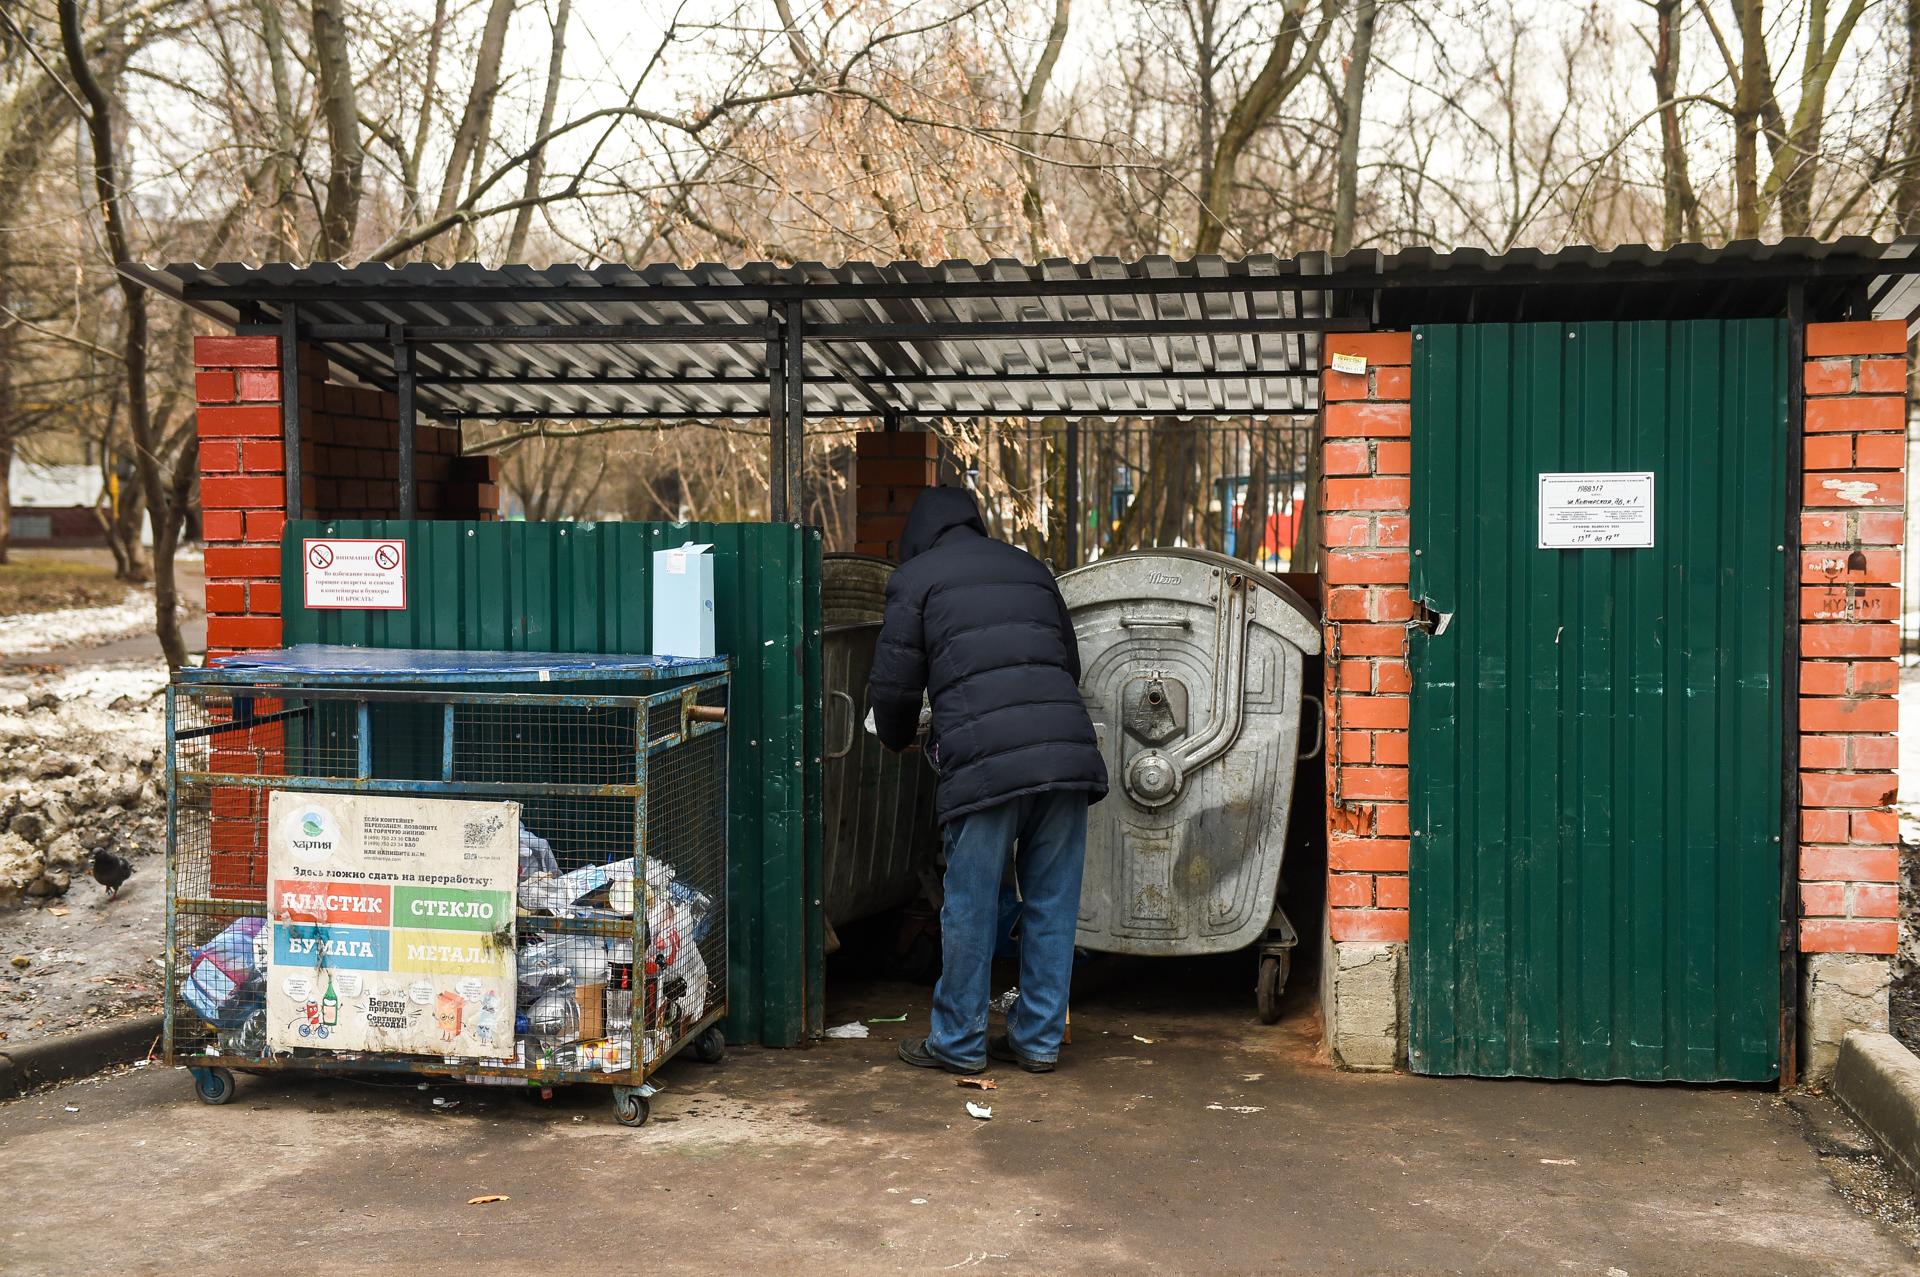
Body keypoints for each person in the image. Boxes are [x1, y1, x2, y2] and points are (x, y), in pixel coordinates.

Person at [869, 486, 1108, 1074]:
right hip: (1064, 756)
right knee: (1051, 901)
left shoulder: (917, 579)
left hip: (986, 762)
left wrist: (897, 734)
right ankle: (1038, 1040)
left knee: (969, 903)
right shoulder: (1031, 569)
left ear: (918, 537)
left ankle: (958, 1042)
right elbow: (1066, 664)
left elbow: (895, 686)